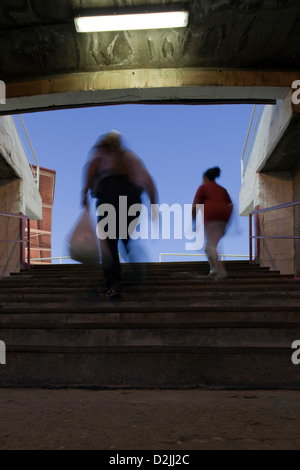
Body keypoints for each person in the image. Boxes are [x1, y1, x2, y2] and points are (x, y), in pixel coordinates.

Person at [82, 131, 158, 298]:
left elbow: (91, 168)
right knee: (126, 237)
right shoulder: (132, 157)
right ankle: (138, 268)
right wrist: (153, 205)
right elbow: (149, 182)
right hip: (132, 197)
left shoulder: (101, 154)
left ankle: (114, 286)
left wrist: (85, 193)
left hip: (110, 193)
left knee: (109, 243)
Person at [192, 166, 233, 279]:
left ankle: (221, 270)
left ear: (205, 178)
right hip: (223, 218)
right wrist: (227, 218)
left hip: (211, 217)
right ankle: (214, 269)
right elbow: (230, 205)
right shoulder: (222, 189)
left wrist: (193, 220)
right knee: (210, 246)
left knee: (210, 246)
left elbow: (195, 206)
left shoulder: (203, 187)